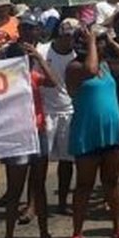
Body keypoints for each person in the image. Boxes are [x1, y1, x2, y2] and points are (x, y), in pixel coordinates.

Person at [63, 24, 119, 238]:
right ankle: (77, 233)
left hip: (111, 134)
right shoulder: (75, 68)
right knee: (84, 185)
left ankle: (117, 227)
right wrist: (93, 42)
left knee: (111, 183)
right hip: (87, 133)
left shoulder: (106, 66)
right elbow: (90, 68)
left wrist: (111, 41)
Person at [0, 15, 57, 238]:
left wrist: (39, 58)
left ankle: (44, 234)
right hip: (16, 133)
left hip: (37, 130)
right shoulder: (8, 66)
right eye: (26, 28)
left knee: (39, 186)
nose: (29, 33)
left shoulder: (34, 69)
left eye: (33, 29)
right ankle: (8, 237)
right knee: (15, 188)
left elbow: (54, 82)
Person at [39, 18, 78, 215]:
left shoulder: (78, 54)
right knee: (40, 161)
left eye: (72, 37)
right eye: (65, 36)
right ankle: (33, 204)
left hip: (68, 110)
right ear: (58, 34)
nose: (68, 40)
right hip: (46, 110)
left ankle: (62, 202)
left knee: (66, 161)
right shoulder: (43, 50)